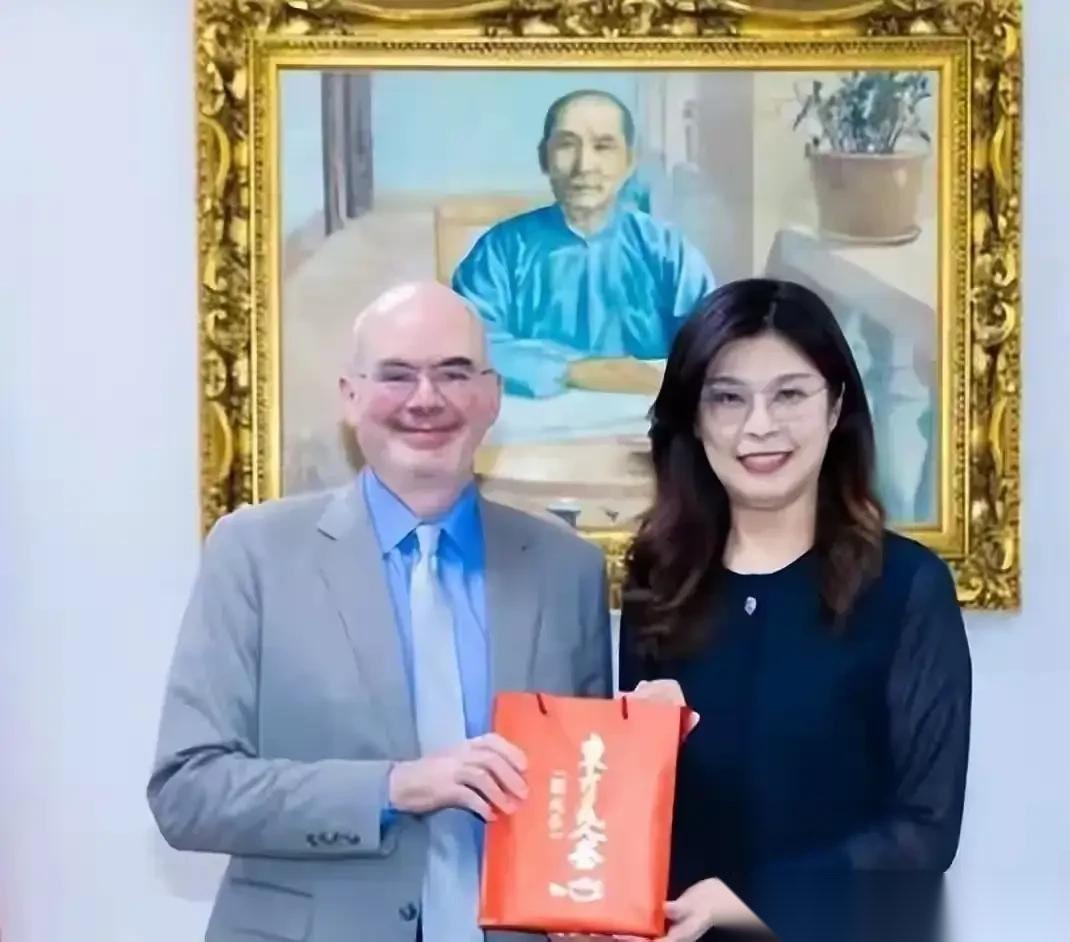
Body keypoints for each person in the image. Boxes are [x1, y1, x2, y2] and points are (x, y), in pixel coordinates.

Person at [147, 281, 613, 942]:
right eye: (397, 375)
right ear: (350, 396)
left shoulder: (568, 569)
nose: (426, 399)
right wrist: (395, 787)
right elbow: (187, 792)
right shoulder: (253, 552)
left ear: (492, 396)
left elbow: (585, 798)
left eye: (454, 373)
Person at [619, 278, 972, 941]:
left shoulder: (906, 586)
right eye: (728, 398)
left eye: (789, 394)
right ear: (694, 418)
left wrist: (752, 902)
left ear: (835, 406)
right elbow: (637, 819)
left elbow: (925, 830)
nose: (759, 426)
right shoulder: (658, 583)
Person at [452, 89, 717, 400]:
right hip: (532, 420)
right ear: (544, 158)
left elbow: (713, 342)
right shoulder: (501, 251)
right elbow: (464, 344)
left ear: (629, 161)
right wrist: (573, 370)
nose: (584, 165)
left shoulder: (667, 249)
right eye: (567, 145)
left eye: (603, 146)